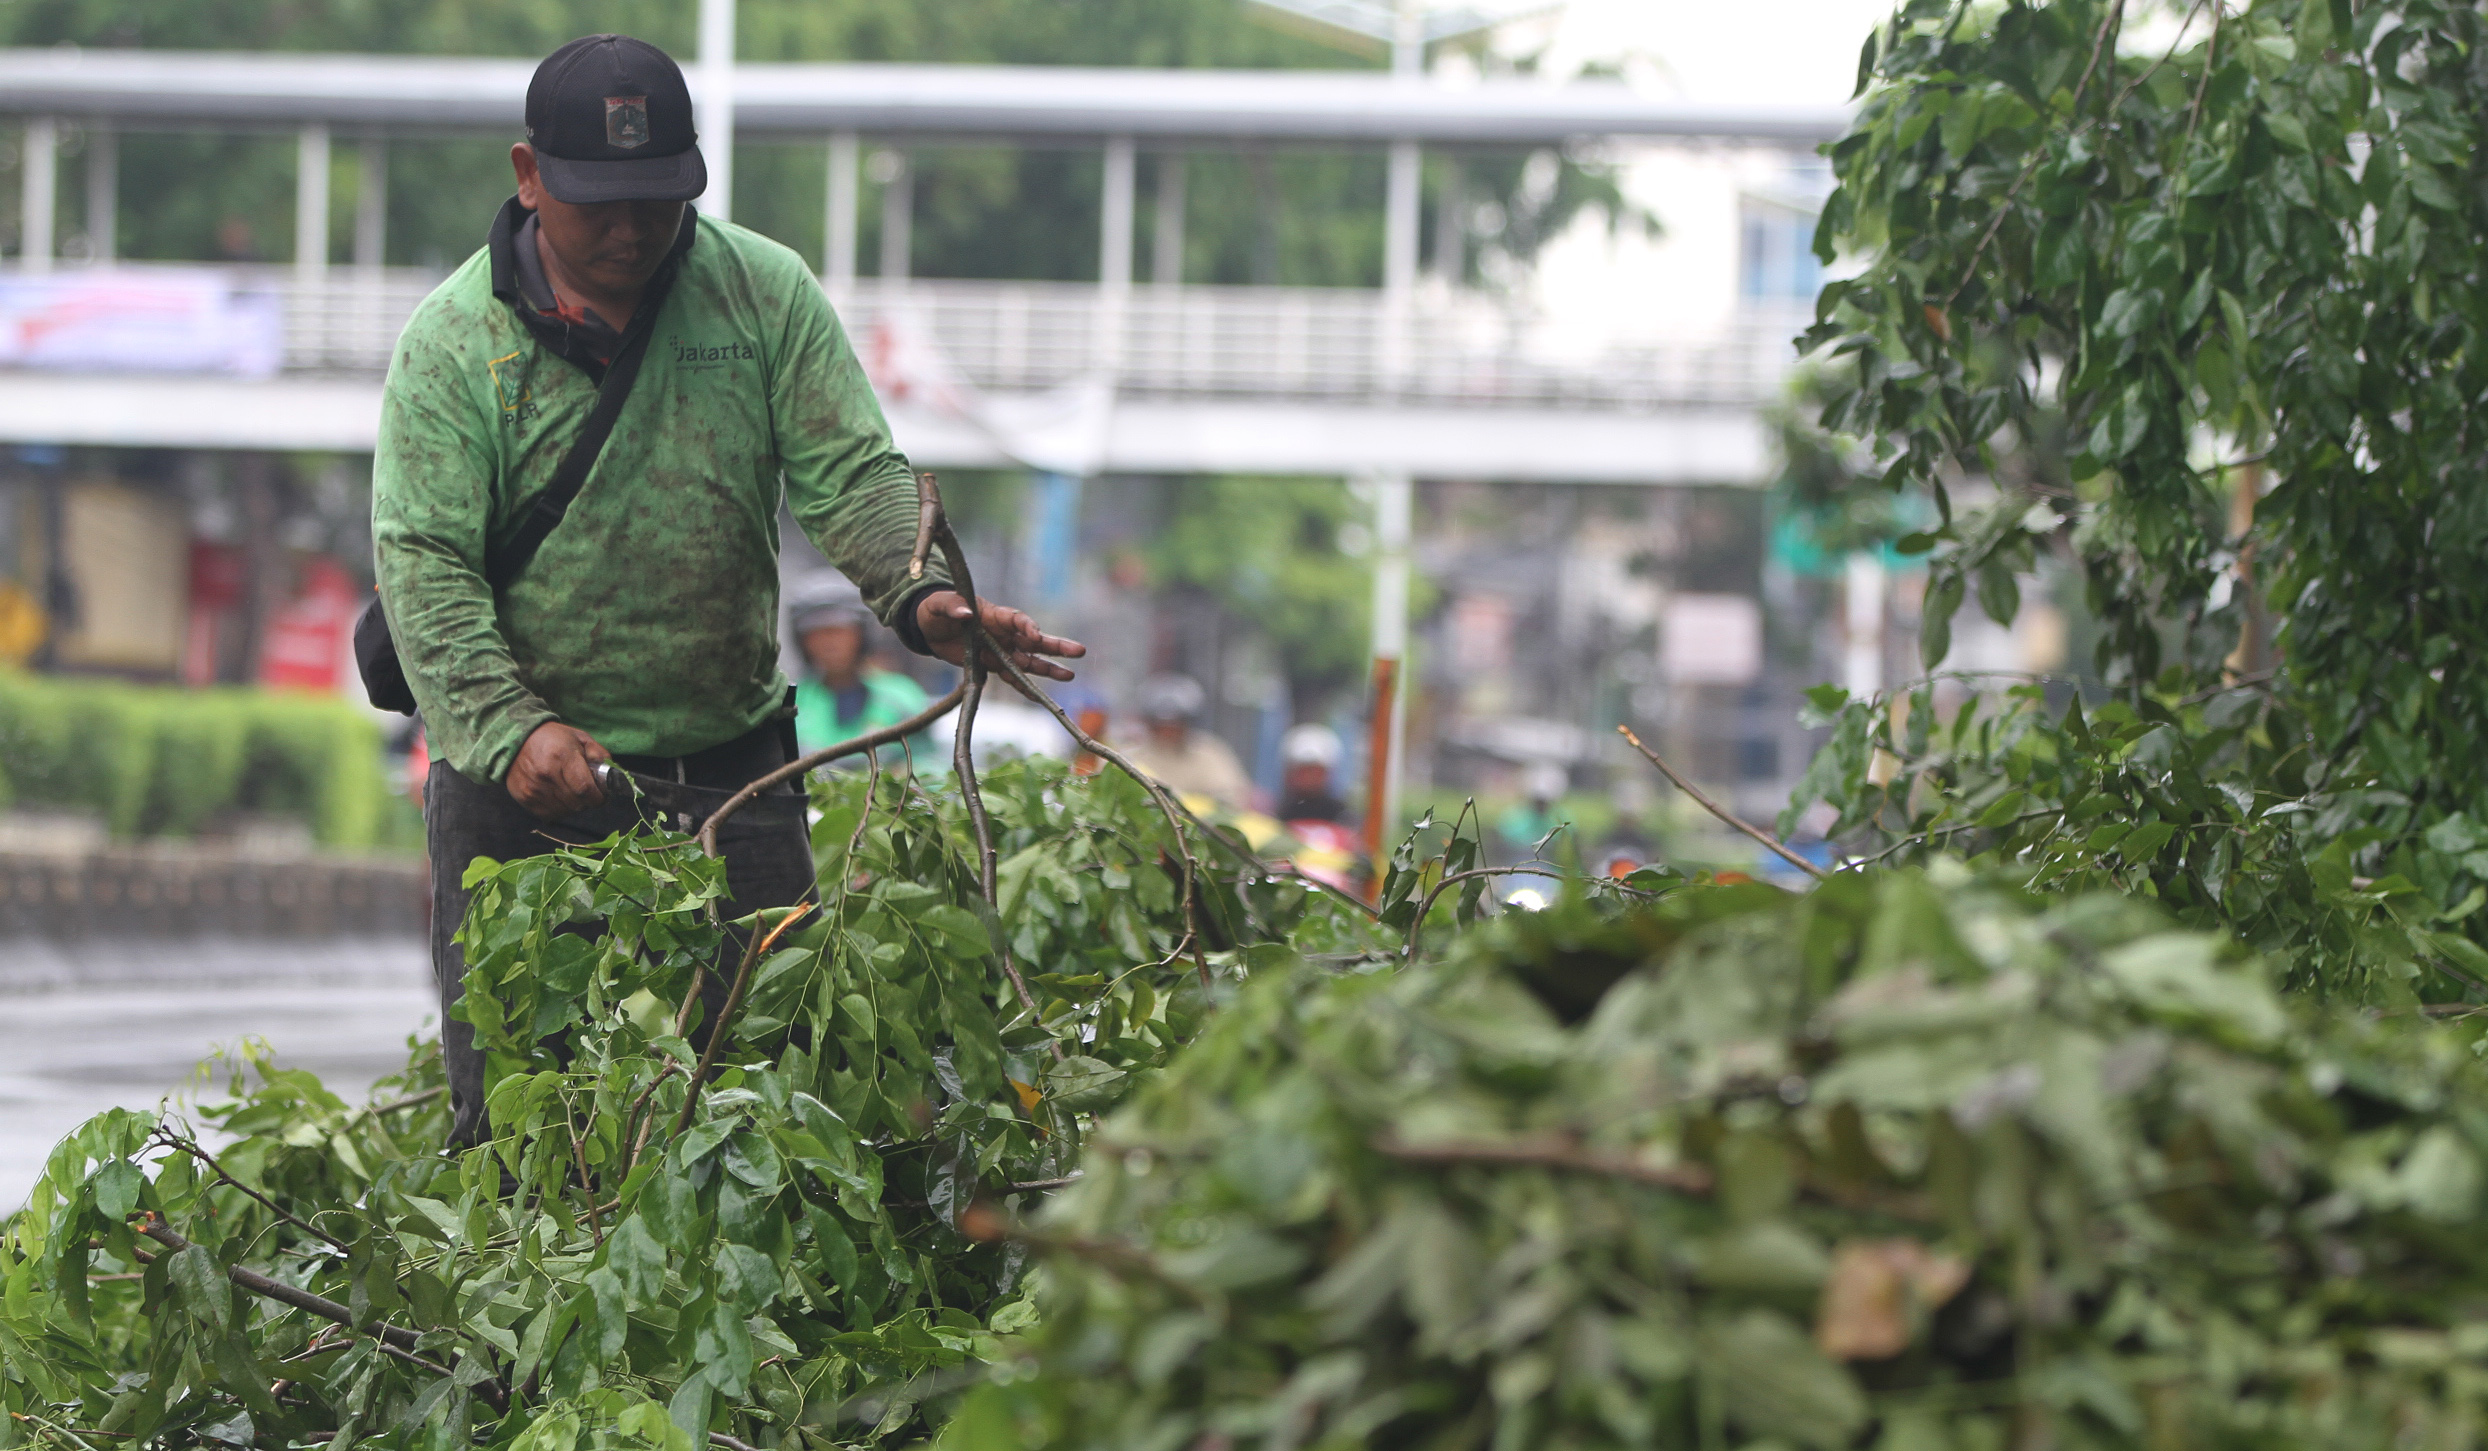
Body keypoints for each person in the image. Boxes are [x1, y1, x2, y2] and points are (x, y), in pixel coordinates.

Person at [372, 34, 1083, 1149]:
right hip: (524, 790)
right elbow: (423, 562)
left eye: (656, 200)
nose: (629, 229)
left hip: (733, 781)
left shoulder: (761, 295)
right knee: (519, 1116)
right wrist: (512, 730)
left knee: (760, 1104)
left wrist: (930, 600)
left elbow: (851, 475)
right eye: (599, 202)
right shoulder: (453, 345)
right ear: (528, 176)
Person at [787, 572, 932, 765]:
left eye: (839, 632)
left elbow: (929, 765)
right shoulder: (790, 705)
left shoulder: (902, 697)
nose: (830, 644)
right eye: (818, 634)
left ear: (862, 634)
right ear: (801, 641)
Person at [1117, 673, 1253, 811]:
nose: (1168, 732)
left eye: (1175, 725)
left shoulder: (1209, 753)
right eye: (1161, 726)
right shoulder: (1132, 756)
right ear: (1150, 724)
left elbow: (1231, 796)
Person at [1275, 722, 1346, 823]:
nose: (1308, 777)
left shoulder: (1343, 817)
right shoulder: (1279, 816)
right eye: (1303, 770)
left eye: (1314, 770)